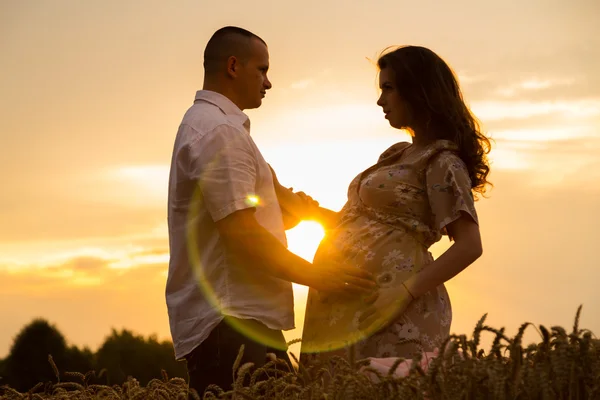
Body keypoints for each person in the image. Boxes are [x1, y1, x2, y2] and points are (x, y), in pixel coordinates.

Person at [165, 26, 375, 398]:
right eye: (261, 70)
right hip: (232, 323)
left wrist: (356, 223)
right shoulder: (218, 134)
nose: (268, 83)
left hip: (240, 320)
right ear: (233, 66)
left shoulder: (223, 130)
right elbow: (242, 234)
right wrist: (318, 276)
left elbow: (279, 205)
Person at [298, 45, 492, 363]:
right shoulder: (396, 154)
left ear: (418, 90)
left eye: (388, 88)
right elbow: (365, 223)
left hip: (393, 314)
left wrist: (402, 293)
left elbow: (470, 245)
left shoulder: (442, 161)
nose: (380, 100)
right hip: (345, 308)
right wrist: (309, 212)